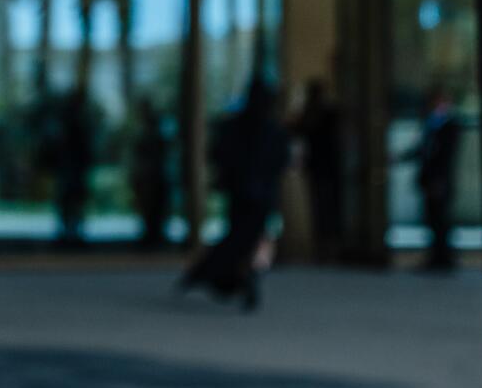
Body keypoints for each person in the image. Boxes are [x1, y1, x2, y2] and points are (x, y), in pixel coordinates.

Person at [177, 79, 289, 311]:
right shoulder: (270, 129)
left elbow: (220, 155)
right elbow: (279, 162)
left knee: (240, 238)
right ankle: (232, 278)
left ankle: (228, 278)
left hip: (245, 192)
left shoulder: (244, 127)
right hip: (254, 194)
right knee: (242, 239)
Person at [400, 84, 463, 271]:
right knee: (432, 219)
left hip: (439, 179)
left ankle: (443, 258)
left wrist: (439, 179)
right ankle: (436, 256)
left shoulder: (449, 126)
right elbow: (422, 150)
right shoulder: (430, 124)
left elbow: (445, 156)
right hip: (429, 179)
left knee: (440, 220)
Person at [289, 78, 344, 260]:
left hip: (323, 168)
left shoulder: (321, 116)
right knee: (324, 207)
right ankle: (327, 244)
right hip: (325, 168)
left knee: (324, 207)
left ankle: (327, 243)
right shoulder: (326, 115)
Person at [53, 86, 98, 246]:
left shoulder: (76, 122)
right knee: (70, 199)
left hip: (74, 168)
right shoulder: (71, 122)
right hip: (71, 167)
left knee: (74, 199)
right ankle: (69, 231)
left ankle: (72, 231)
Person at [128, 97, 173, 248]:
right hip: (149, 176)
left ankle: (154, 237)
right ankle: (151, 237)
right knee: (149, 210)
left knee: (154, 209)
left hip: (153, 176)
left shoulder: (155, 131)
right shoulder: (149, 131)